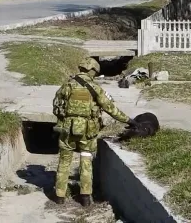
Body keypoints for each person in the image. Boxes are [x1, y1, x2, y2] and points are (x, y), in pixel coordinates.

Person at [51, 57, 136, 207]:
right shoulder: (95, 88)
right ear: (93, 71)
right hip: (87, 131)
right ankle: (85, 197)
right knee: (86, 160)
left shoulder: (67, 85)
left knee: (64, 161)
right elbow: (111, 109)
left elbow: (56, 106)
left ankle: (59, 196)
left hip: (67, 129)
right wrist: (129, 120)